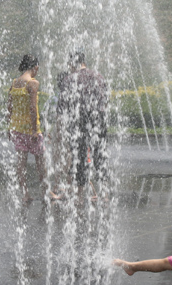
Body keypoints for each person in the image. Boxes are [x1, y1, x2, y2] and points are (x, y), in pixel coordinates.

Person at [54, 49, 108, 201]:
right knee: (100, 155)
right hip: (98, 120)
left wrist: (59, 130)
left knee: (79, 157)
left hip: (78, 123)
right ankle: (104, 194)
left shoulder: (69, 79)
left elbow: (61, 108)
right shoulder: (98, 76)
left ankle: (79, 195)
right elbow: (104, 101)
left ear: (72, 63)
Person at [7, 54, 46, 203]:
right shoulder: (33, 83)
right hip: (31, 130)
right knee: (40, 163)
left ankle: (25, 194)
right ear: (35, 67)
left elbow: (9, 107)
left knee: (21, 164)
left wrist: (9, 127)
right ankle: (45, 193)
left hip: (17, 129)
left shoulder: (15, 83)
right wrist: (36, 129)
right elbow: (32, 108)